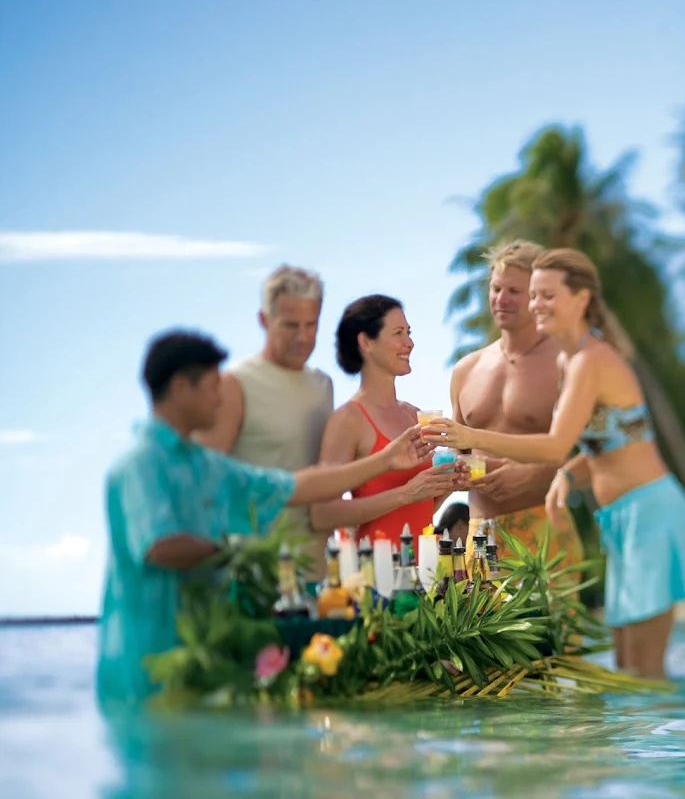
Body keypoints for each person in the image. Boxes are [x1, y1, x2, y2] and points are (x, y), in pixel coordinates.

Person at [423, 248, 685, 677]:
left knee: (638, 675)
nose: (530, 303)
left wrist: (474, 438)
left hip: (642, 513)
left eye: (541, 294)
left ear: (580, 299)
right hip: (616, 518)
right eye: (530, 295)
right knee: (626, 672)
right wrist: (566, 474)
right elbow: (612, 442)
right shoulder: (569, 360)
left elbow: (556, 445)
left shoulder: (586, 361)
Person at [98, 330, 431, 706]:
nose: (221, 396)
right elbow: (161, 548)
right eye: (211, 386)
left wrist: (385, 459)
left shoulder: (210, 466)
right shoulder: (138, 465)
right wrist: (244, 554)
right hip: (142, 672)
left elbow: (297, 486)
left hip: (208, 665)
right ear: (179, 388)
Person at [449, 239, 585, 574]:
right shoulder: (466, 370)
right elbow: (460, 455)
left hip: (544, 531)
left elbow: (601, 451)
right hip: (481, 537)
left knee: (553, 629)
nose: (501, 299)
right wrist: (463, 471)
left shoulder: (568, 362)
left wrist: (534, 475)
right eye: (496, 288)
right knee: (479, 628)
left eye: (514, 290)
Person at [194, 265, 333, 578]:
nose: (303, 337)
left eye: (311, 324)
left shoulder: (323, 386)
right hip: (253, 578)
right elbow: (200, 483)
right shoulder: (235, 384)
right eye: (290, 325)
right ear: (263, 320)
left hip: (319, 575)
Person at [310, 295, 468, 550]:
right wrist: (406, 493)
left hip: (425, 573)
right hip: (376, 576)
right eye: (398, 333)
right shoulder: (348, 420)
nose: (410, 343)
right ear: (366, 342)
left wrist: (447, 486)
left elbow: (419, 508)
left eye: (409, 332)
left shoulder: (414, 416)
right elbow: (323, 514)